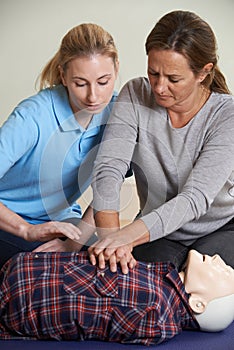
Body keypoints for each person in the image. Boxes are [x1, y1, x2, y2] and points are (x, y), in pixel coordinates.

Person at [89, 10, 234, 273]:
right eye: (153, 73)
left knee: (196, 283)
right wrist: (111, 242)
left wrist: (126, 236)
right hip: (159, 228)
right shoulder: (135, 94)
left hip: (222, 227)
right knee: (133, 278)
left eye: (173, 79)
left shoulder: (227, 115)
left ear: (203, 72)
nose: (158, 87)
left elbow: (195, 198)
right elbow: (109, 169)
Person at [0, 23, 120, 269]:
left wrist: (75, 242)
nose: (93, 96)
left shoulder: (118, 112)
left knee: (103, 269)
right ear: (63, 75)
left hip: (63, 220)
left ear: (116, 70)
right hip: (9, 220)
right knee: (51, 273)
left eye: (103, 81)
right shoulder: (31, 117)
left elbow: (109, 183)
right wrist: (25, 230)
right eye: (80, 83)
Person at [0, 249, 233, 345]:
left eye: (223, 273)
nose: (217, 259)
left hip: (15, 294)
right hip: (21, 270)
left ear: (198, 303)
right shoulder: (163, 278)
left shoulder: (155, 310)